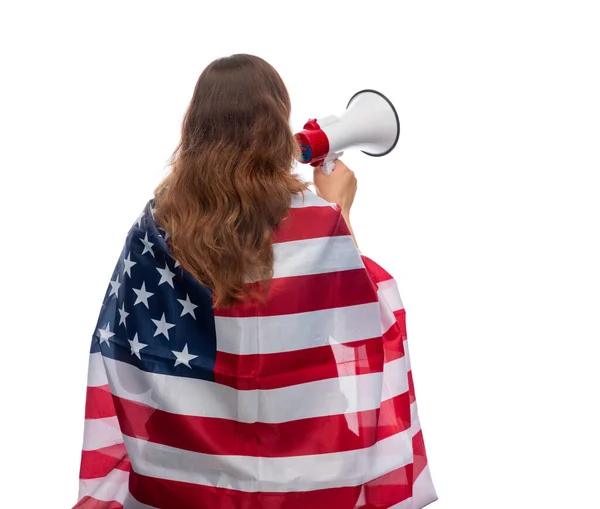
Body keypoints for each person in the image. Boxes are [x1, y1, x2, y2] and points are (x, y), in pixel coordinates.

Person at [71, 54, 438, 509]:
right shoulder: (318, 222)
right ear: (276, 126)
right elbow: (357, 323)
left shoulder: (156, 224)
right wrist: (338, 210)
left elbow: (126, 343)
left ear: (196, 128)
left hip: (187, 471)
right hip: (304, 466)